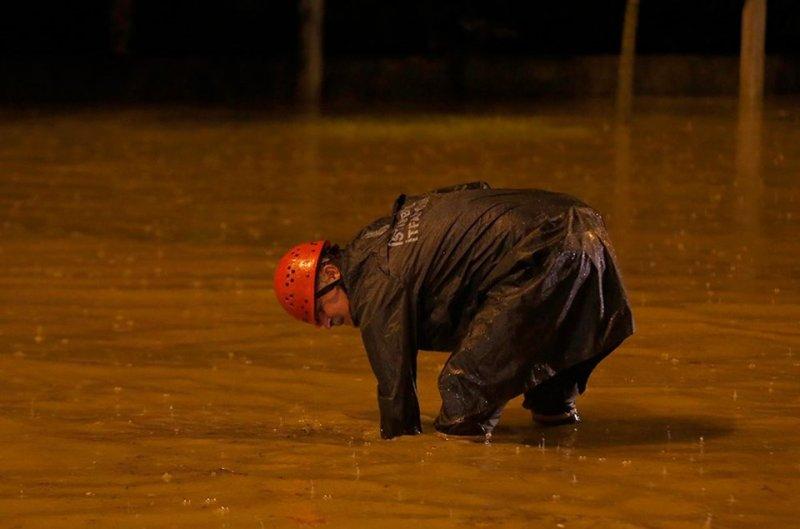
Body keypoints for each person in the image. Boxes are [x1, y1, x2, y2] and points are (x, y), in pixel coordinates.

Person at [273, 182, 634, 440]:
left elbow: (395, 394)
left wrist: (398, 462)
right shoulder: (378, 237)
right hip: (585, 229)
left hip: (543, 251)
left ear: (332, 274)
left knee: (463, 394)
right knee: (548, 399)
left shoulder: (374, 283)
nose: (325, 325)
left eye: (319, 310)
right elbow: (472, 189)